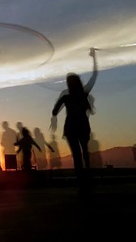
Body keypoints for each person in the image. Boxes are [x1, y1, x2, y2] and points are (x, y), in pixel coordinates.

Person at [50, 48, 98, 190]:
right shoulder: (83, 94)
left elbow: (54, 111)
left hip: (71, 127)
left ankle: (80, 179)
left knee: (76, 155)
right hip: (83, 126)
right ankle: (88, 175)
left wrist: (57, 111)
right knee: (85, 151)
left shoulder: (66, 97)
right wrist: (94, 58)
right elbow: (94, 76)